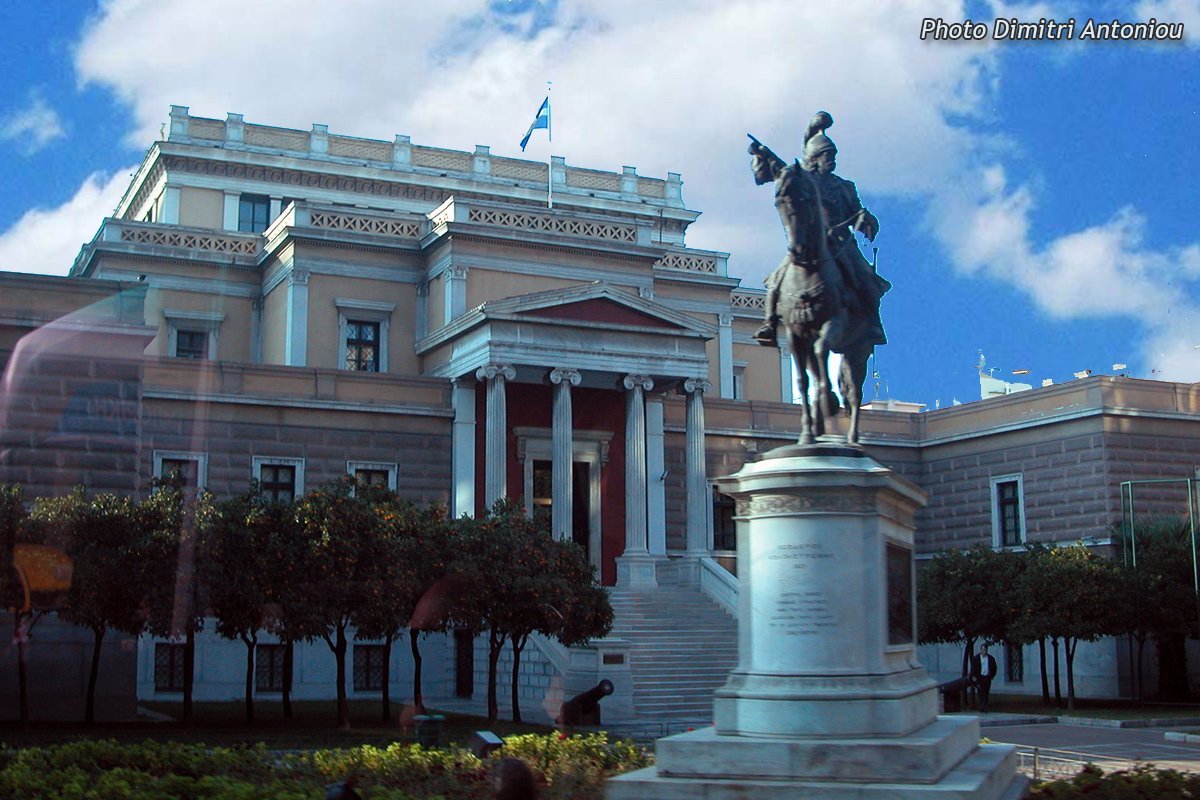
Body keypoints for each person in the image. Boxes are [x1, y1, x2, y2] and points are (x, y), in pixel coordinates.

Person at [751, 111, 890, 350]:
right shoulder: (804, 181)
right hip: (811, 241)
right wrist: (762, 154)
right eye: (827, 155)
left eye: (833, 155)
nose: (832, 160)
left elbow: (855, 210)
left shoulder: (845, 186)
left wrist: (864, 218)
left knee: (866, 278)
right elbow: (781, 173)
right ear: (815, 158)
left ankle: (872, 323)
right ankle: (770, 322)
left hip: (840, 242)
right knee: (777, 278)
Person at [970, 643, 998, 713]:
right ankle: (982, 706)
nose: (984, 651)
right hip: (980, 678)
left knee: (986, 692)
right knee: (981, 691)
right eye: (983, 650)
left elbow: (994, 668)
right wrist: (974, 676)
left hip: (987, 677)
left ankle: (985, 706)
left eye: (985, 650)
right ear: (981, 650)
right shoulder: (976, 658)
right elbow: (973, 668)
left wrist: (992, 676)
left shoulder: (991, 658)